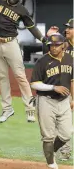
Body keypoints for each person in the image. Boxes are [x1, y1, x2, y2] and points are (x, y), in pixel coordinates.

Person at [30, 33, 73, 169]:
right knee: (48, 136)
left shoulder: (70, 59)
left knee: (66, 134)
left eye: (56, 45)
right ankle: (51, 163)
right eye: (51, 45)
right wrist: (54, 88)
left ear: (63, 45)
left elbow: (72, 80)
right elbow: (34, 84)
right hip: (46, 101)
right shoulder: (42, 61)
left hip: (64, 101)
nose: (53, 48)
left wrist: (73, 99)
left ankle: (50, 152)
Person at [45, 18, 74, 161]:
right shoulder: (65, 46)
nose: (67, 29)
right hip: (67, 89)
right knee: (62, 121)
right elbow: (50, 51)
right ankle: (65, 151)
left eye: (70, 28)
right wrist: (48, 37)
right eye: (67, 27)